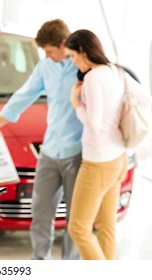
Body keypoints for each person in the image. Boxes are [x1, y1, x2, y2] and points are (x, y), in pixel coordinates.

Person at [0, 19, 82, 260]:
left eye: (49, 51)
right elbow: (23, 96)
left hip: (78, 153)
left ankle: (72, 266)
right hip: (49, 152)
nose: (46, 56)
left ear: (65, 44)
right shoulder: (46, 67)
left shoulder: (82, 67)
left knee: (75, 218)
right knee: (41, 212)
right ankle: (39, 262)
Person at [65, 29, 151, 260]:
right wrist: (117, 120)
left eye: (73, 56)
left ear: (83, 51)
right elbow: (145, 99)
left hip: (97, 163)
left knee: (78, 228)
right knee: (106, 225)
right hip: (118, 157)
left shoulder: (93, 78)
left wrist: (76, 103)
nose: (73, 62)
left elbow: (93, 124)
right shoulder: (116, 71)